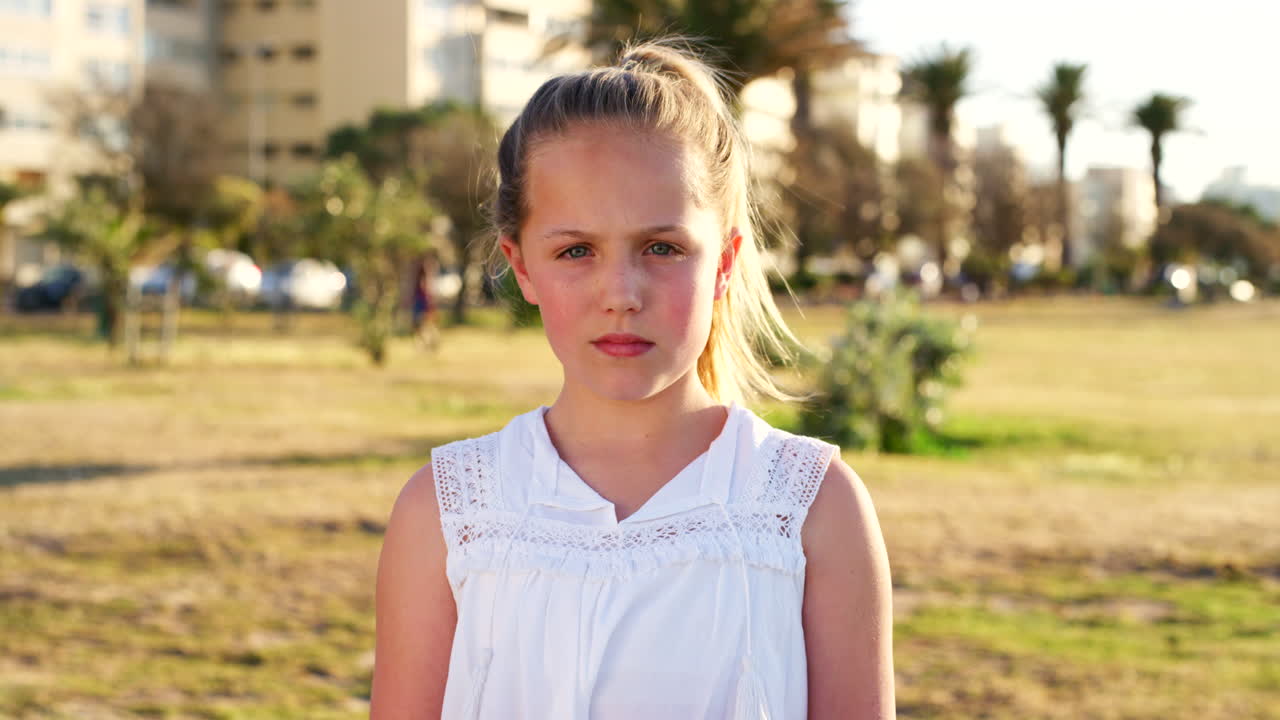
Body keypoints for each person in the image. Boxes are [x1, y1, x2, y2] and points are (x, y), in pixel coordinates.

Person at [371, 39, 894, 720]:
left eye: (662, 248)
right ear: (521, 265)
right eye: (576, 251)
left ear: (724, 261)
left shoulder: (813, 509)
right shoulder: (446, 515)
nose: (621, 293)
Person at [411, 252, 440, 352]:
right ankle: (427, 344)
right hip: (422, 302)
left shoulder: (426, 275)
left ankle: (429, 344)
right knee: (423, 325)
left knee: (425, 325)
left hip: (424, 302)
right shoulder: (423, 274)